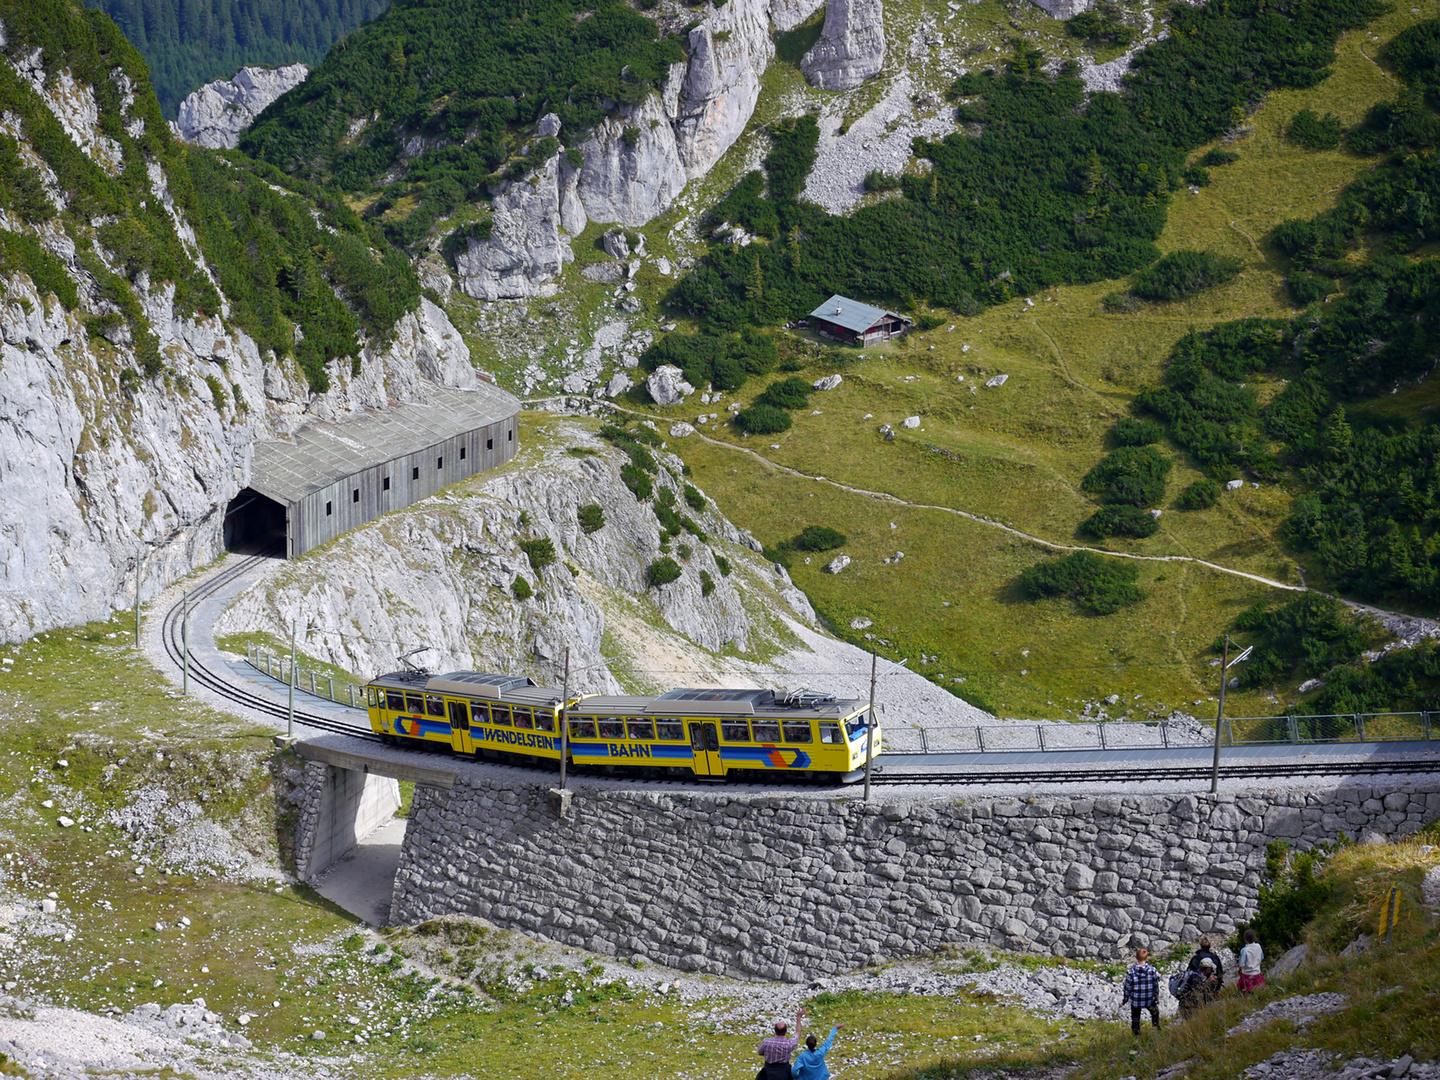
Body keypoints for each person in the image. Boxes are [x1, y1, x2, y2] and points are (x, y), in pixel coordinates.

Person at [1121, 948, 1161, 1035]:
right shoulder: (1152, 970)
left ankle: (1136, 1034)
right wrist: (1156, 997)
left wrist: (1125, 999)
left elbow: (1127, 987)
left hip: (1136, 1000)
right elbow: (1155, 985)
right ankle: (1156, 1028)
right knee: (1155, 1012)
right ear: (1147, 958)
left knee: (1135, 1017)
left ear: (1136, 957)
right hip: (1149, 999)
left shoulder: (1131, 972)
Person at [758, 1007, 804, 1080]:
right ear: (786, 1031)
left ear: (774, 1030)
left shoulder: (766, 1042)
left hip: (768, 1071)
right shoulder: (789, 1044)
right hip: (784, 1071)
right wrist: (798, 1017)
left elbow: (760, 1052)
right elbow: (798, 1032)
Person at [1237, 928, 1265, 993]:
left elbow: (1241, 964)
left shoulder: (1244, 950)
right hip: (1257, 972)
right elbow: (1262, 957)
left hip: (1247, 974)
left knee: (1246, 991)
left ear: (1245, 939)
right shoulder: (1258, 946)